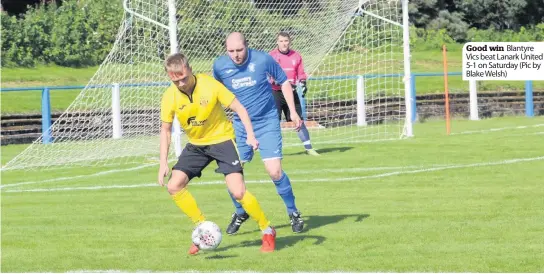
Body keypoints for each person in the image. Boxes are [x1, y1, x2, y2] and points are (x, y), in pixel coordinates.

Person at [158, 52, 276, 254]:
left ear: (190, 69)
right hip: (196, 144)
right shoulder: (170, 95)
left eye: (184, 78)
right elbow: (165, 129)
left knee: (238, 192)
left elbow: (239, 108)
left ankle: (267, 230)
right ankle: (203, 228)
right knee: (174, 186)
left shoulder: (210, 85)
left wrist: (249, 135)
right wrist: (163, 163)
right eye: (175, 81)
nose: (181, 84)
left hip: (222, 140)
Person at [212, 32, 305, 234]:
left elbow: (284, 82)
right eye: (231, 51)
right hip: (240, 126)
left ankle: (293, 212)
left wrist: (294, 112)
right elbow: (217, 94)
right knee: (232, 173)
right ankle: (240, 212)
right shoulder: (219, 66)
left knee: (274, 171)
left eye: (239, 50)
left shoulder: (263, 59)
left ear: (247, 46)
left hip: (267, 121)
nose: (235, 55)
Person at [269, 31, 319, 156]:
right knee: (274, 122)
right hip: (275, 92)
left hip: (291, 92)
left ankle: (309, 148)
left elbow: (301, 73)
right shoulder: (271, 56)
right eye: (281, 41)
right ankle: (274, 149)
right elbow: (266, 73)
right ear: (277, 42)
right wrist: (273, 80)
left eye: (286, 41)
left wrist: (303, 83)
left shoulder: (296, 56)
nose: (284, 44)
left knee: (298, 119)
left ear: (289, 42)